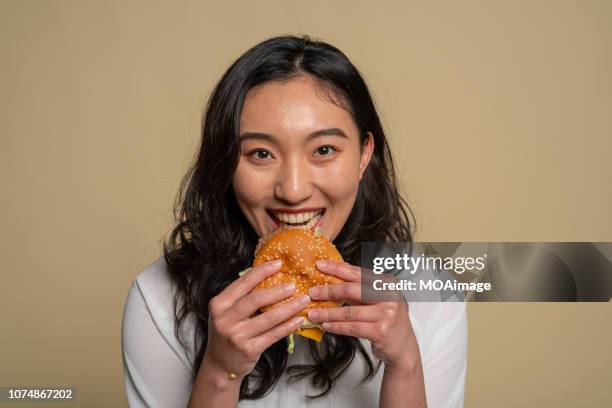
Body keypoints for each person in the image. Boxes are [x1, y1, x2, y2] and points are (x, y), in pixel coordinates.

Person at [121, 35, 468, 408]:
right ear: (226, 162)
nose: (294, 190)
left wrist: (405, 366)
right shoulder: (158, 298)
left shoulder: (433, 293)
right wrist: (220, 372)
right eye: (260, 153)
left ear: (364, 154)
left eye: (323, 150)